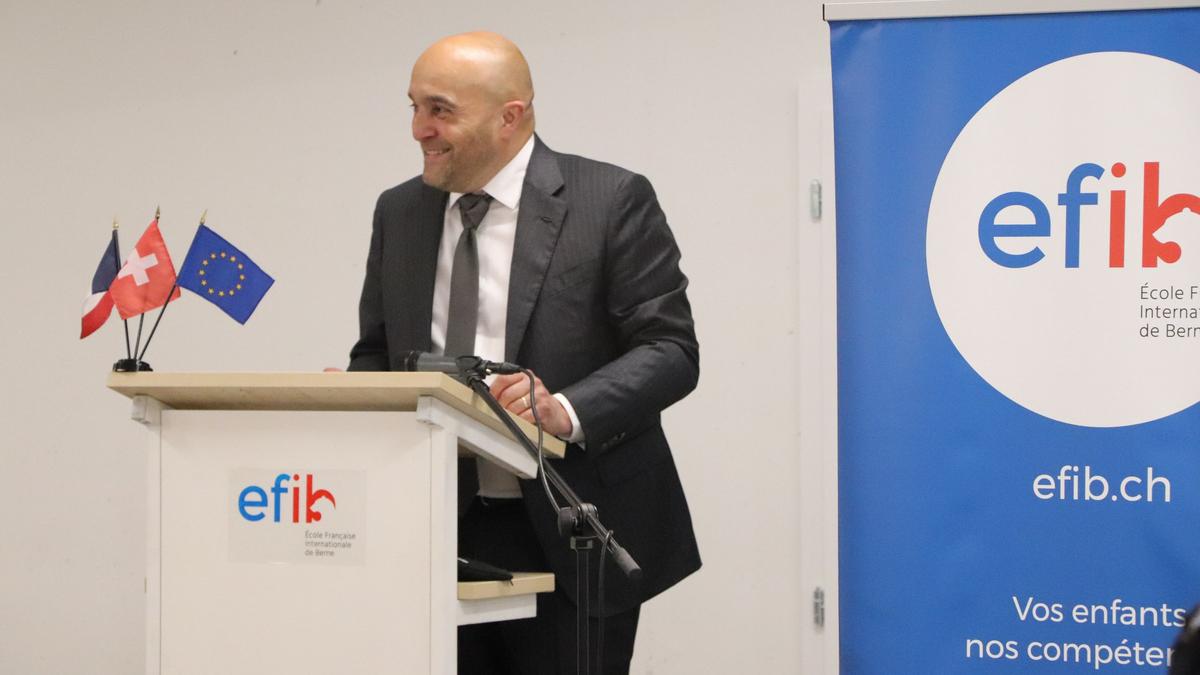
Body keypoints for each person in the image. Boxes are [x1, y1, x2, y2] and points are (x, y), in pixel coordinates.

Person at [345, 31, 700, 674]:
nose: (419, 129)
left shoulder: (609, 200)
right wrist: (359, 397)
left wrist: (565, 409)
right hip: (435, 525)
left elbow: (670, 349)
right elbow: (376, 352)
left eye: (440, 109)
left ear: (509, 116)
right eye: (414, 107)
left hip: (572, 523)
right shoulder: (399, 212)